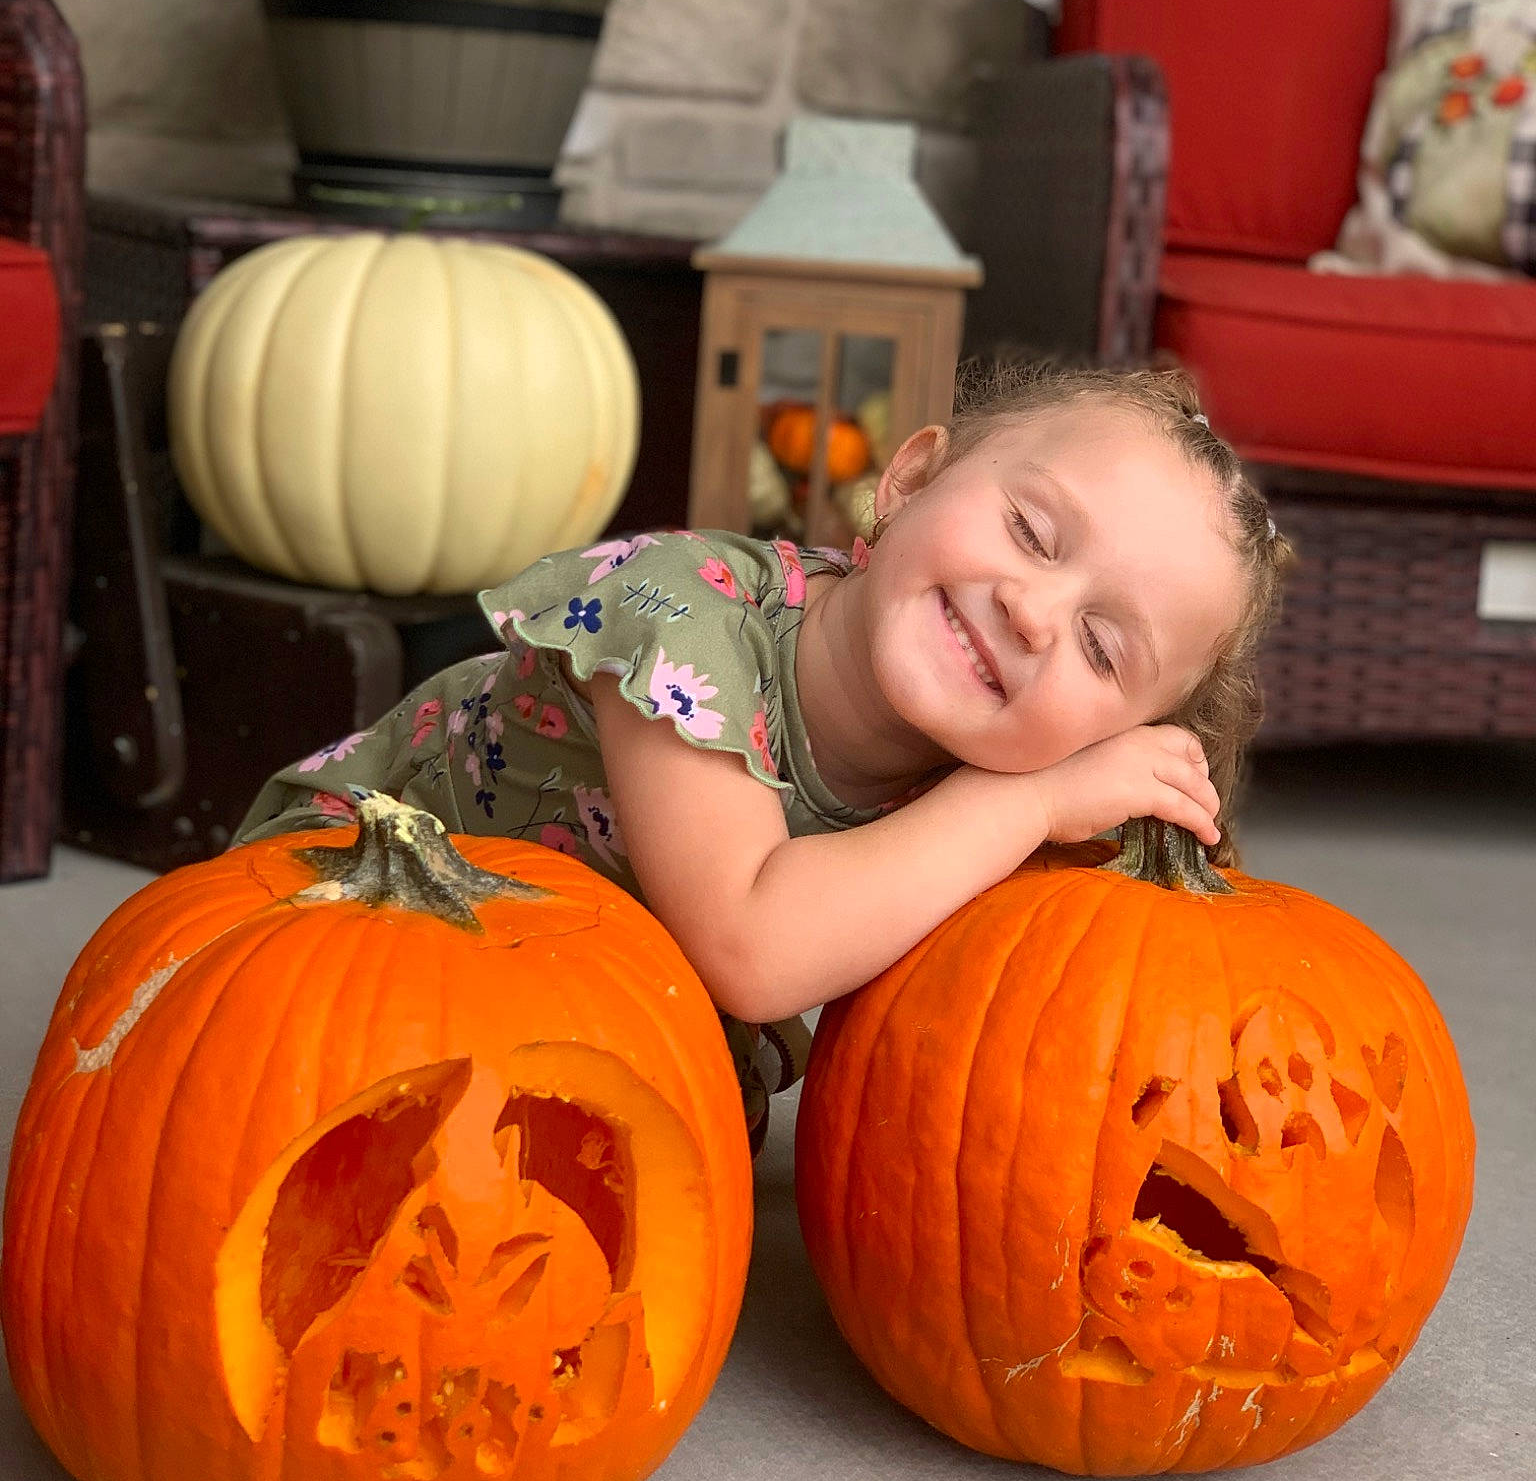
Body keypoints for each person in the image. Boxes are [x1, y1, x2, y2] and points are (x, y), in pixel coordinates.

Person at [235, 360, 1290, 1147]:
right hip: (349, 923)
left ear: (1112, 739)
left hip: (572, 1016)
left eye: (1102, 648)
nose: (1033, 610)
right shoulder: (685, 619)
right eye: (1030, 532)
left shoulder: (987, 784)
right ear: (912, 479)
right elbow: (750, 944)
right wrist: (1029, 807)